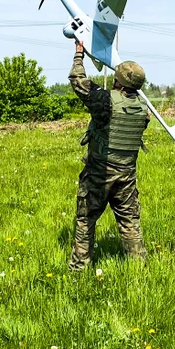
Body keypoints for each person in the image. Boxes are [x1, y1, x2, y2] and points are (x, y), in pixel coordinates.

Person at [68, 40, 149, 270]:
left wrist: (78, 55)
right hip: (127, 176)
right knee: (130, 222)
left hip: (100, 172)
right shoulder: (143, 110)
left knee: (85, 220)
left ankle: (79, 269)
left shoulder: (106, 101)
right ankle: (138, 268)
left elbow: (79, 82)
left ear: (118, 80)